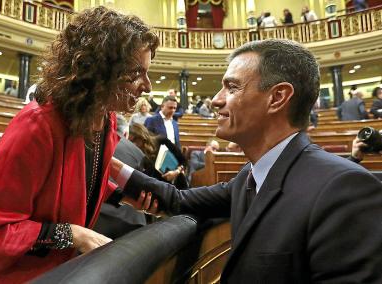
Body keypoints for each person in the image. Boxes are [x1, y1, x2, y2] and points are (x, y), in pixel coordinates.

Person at [112, 39, 382, 283]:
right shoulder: (249, 178)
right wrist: (110, 166)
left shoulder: (343, 189)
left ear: (277, 97)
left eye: (231, 87)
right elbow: (178, 199)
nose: (216, 100)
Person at [0, 6, 159, 283]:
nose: (147, 86)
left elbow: (74, 180)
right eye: (136, 73)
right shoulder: (37, 125)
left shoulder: (105, 118)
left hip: (58, 272)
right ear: (100, 70)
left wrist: (121, 196)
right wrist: (71, 234)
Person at [129, 123, 188, 189]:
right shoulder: (135, 154)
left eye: (135, 140)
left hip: (176, 185)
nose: (133, 144)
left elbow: (184, 161)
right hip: (156, 189)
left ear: (142, 137)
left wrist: (176, 172)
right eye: (130, 142)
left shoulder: (162, 141)